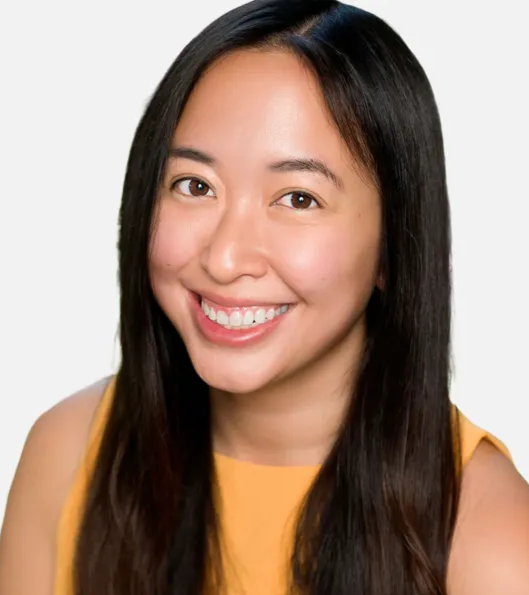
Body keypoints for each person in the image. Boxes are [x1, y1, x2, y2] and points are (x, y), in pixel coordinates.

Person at [1, 1, 528, 594]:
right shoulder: (68, 453)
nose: (225, 258)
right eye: (195, 186)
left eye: (298, 198)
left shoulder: (492, 541)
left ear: (392, 247)